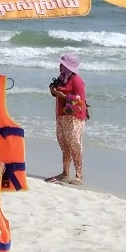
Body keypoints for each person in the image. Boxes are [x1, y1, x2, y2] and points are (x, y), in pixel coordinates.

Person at [46, 52, 88, 186]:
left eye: (62, 64)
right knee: (64, 143)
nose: (59, 66)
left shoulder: (77, 80)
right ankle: (65, 172)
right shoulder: (61, 77)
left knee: (75, 144)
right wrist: (53, 91)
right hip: (61, 115)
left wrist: (61, 94)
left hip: (74, 117)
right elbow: (55, 93)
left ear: (68, 67)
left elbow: (79, 101)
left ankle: (79, 175)